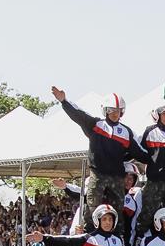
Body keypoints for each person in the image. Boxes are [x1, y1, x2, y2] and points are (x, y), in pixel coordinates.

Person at [50, 86, 148, 233]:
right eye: (112, 110)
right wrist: (64, 101)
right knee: (92, 206)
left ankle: (117, 239)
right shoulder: (96, 125)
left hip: (116, 177)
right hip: (98, 175)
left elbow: (139, 153)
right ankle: (89, 236)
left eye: (118, 110)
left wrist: (156, 157)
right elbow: (78, 115)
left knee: (117, 208)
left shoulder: (126, 132)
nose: (115, 113)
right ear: (105, 110)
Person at [135, 100, 165, 242]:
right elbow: (140, 152)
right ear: (158, 115)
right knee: (147, 212)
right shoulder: (149, 131)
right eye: (164, 114)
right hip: (154, 181)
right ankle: (138, 243)